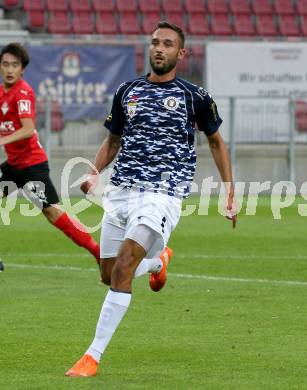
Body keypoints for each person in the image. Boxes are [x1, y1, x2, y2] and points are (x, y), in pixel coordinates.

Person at [66, 21, 237, 377]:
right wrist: (95, 172)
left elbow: (217, 142)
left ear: (181, 53)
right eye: (156, 42)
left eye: (168, 44)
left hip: (163, 194)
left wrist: (228, 190)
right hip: (120, 192)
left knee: (125, 267)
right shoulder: (127, 90)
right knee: (109, 274)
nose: (160, 48)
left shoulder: (195, 96)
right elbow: (113, 139)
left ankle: (92, 357)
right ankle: (159, 264)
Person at [0, 43, 101, 265]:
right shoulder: (1, 94)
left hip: (32, 167)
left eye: (14, 65)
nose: (9, 69)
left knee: (53, 214)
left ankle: (99, 252)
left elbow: (28, 129)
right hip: (13, 166)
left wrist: (2, 140)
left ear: (22, 69)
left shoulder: (23, 92)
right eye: (5, 64)